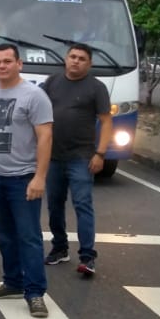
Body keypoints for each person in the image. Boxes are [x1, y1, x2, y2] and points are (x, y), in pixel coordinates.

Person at [0, 42, 53, 318]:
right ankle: (13, 282)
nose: (1, 66)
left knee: (28, 237)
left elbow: (45, 136)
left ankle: (35, 292)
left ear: (19, 64)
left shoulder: (35, 96)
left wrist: (40, 177)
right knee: (5, 236)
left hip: (22, 179)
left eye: (7, 61)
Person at [41, 43, 114, 278]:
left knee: (83, 205)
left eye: (82, 58)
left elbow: (106, 122)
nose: (76, 61)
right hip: (53, 156)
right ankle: (59, 248)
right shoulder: (52, 82)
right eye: (72, 56)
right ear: (66, 59)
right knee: (54, 205)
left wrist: (100, 153)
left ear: (89, 64)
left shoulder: (97, 87)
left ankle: (87, 256)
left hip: (81, 157)